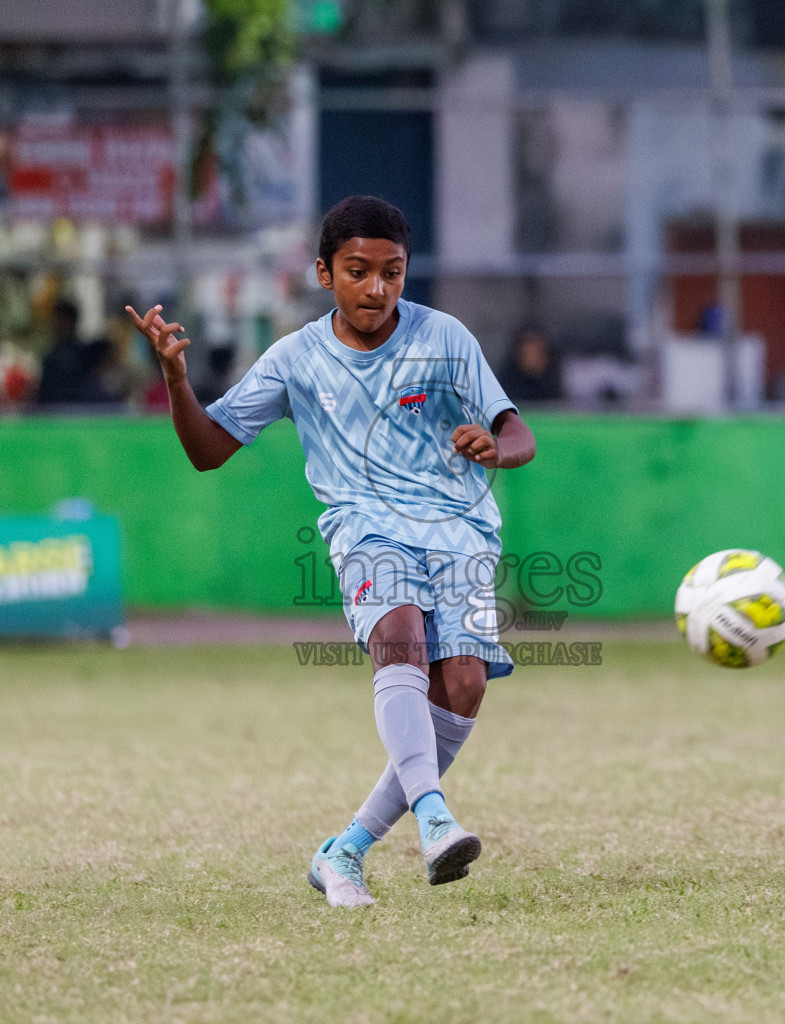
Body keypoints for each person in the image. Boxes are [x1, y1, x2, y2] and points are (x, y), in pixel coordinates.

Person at [127, 196, 537, 909]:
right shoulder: (295, 360)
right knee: (400, 636)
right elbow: (207, 450)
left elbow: (518, 433)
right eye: (357, 271)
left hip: (460, 531)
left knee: (464, 685)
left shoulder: (446, 339)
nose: (376, 287)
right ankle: (435, 819)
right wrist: (175, 380)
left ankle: (344, 849)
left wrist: (495, 447)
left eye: (392, 272)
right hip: (366, 528)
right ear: (324, 273)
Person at [36, 300, 111, 406]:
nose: (60, 325)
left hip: (86, 411)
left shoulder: (87, 352)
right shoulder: (49, 359)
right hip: (55, 414)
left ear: (73, 321)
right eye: (57, 320)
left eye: (64, 320)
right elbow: (43, 397)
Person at [499, 324, 564, 403]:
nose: (532, 354)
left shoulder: (558, 378)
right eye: (528, 351)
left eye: (536, 350)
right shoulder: (507, 382)